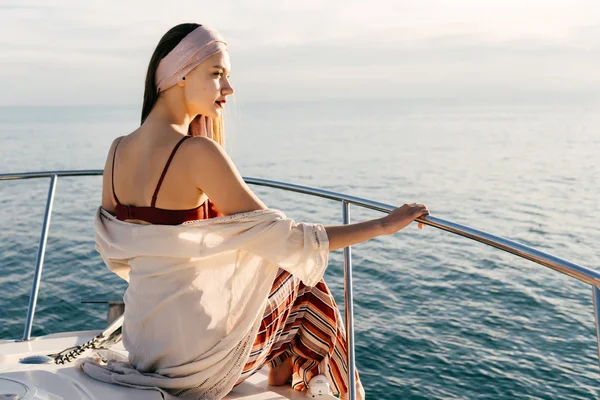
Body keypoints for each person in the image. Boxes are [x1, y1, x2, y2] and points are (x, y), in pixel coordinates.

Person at [87, 23, 429, 400]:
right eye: (217, 75)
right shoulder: (197, 153)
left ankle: (290, 376)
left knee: (280, 271)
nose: (228, 89)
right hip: (193, 366)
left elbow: (118, 253)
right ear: (179, 76)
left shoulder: (117, 150)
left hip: (145, 350)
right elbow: (292, 241)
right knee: (302, 275)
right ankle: (325, 385)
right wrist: (384, 224)